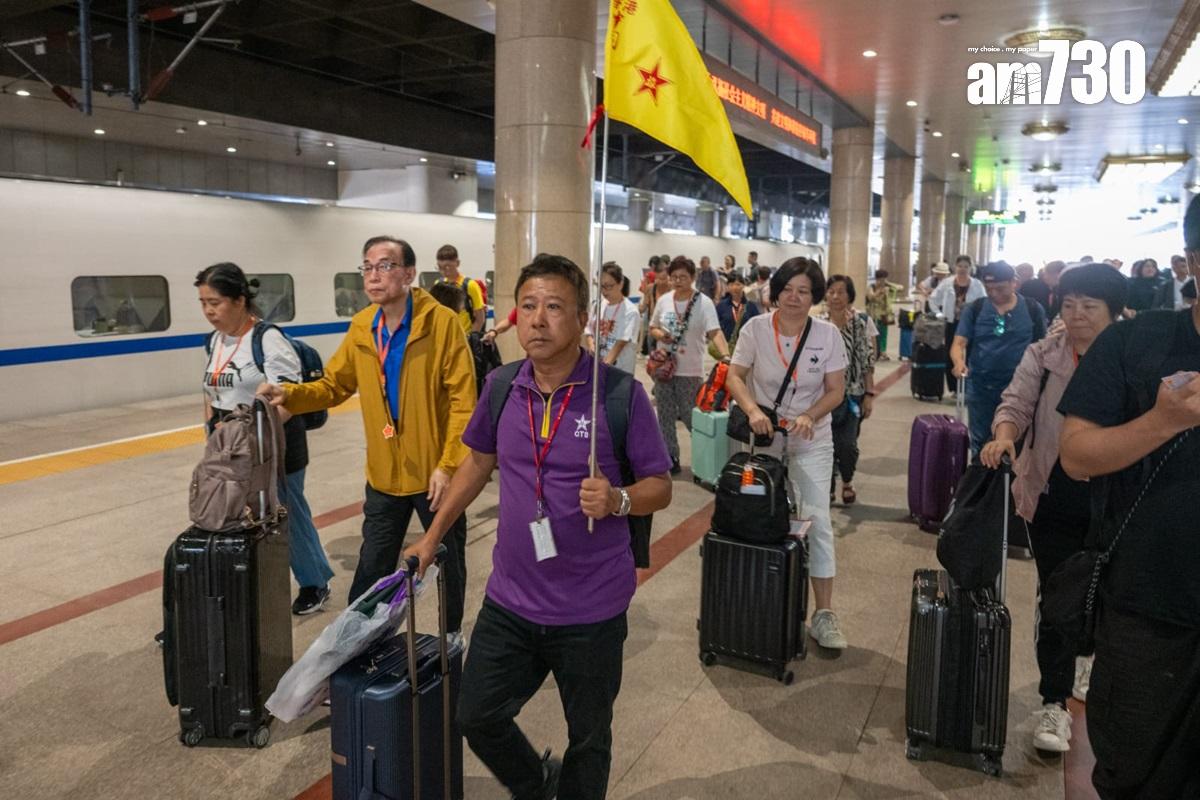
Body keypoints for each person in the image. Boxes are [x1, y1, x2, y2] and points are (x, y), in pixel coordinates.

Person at [403, 253, 673, 800]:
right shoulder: (502, 386)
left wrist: (619, 499)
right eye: (528, 306)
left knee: (589, 740)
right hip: (512, 600)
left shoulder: (619, 394)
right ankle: (536, 784)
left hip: (592, 609)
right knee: (475, 717)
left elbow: (660, 487)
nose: (538, 320)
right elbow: (477, 463)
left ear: (581, 319)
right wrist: (431, 537)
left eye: (554, 307)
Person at [256, 236, 476, 639]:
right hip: (384, 476)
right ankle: (354, 647)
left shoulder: (440, 324)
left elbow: (464, 402)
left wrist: (448, 466)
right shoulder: (362, 327)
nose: (374, 276)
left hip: (436, 477)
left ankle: (450, 640)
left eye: (385, 266)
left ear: (409, 273)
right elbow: (334, 386)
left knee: (449, 560)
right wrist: (291, 393)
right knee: (372, 567)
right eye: (368, 267)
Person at [1057, 195, 1200, 798]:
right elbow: (1077, 455)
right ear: (1192, 260)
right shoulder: (1137, 344)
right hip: (1150, 608)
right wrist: (1162, 423)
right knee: (1138, 775)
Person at [979, 264, 1128, 753]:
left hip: (1119, 500)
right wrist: (1004, 437)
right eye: (1069, 305)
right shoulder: (1043, 355)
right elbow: (1016, 404)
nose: (1077, 316)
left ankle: (1088, 656)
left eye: (1089, 307)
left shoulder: (1133, 357)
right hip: (1052, 494)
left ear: (1114, 311)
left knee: (1109, 597)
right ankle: (1053, 703)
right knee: (1060, 598)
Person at [723, 257, 849, 650]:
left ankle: (823, 614)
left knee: (817, 518)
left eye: (804, 291)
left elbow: (835, 391)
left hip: (812, 438)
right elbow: (734, 376)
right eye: (788, 289)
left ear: (814, 297)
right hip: (764, 439)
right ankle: (758, 601)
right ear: (775, 291)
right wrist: (753, 410)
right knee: (757, 515)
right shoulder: (755, 328)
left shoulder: (827, 335)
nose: (794, 298)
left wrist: (811, 416)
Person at [197, 263, 335, 615]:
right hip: (228, 446)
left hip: (273, 443)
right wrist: (212, 435)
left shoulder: (268, 339)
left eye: (216, 302)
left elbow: (289, 398)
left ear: (240, 300)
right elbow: (211, 391)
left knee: (286, 513)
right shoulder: (216, 340)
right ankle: (241, 586)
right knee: (233, 515)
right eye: (203, 303)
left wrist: (256, 441)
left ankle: (314, 583)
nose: (209, 311)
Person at [950, 261, 1047, 454]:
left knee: (1018, 440)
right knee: (981, 439)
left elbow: (1042, 347)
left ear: (1014, 283)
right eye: (989, 289)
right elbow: (959, 342)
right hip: (981, 386)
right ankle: (981, 480)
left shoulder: (1032, 309)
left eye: (1000, 288)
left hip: (1020, 388)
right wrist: (959, 362)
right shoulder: (975, 309)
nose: (994, 294)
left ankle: (1013, 481)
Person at [648, 256, 730, 475]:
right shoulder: (665, 300)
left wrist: (725, 355)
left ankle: (706, 456)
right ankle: (670, 457)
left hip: (690, 368)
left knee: (690, 414)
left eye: (683, 277)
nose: (678, 281)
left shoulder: (704, 303)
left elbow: (715, 331)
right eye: (674, 277)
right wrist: (660, 334)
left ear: (693, 278)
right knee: (664, 414)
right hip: (664, 368)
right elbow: (652, 326)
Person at [820, 275, 876, 506]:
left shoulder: (858, 324)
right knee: (825, 443)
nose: (835, 296)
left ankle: (848, 480)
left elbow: (866, 360)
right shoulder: (818, 324)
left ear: (850, 295)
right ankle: (830, 486)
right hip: (822, 396)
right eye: (831, 291)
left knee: (848, 445)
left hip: (852, 395)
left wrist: (869, 395)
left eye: (841, 292)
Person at [931, 255, 986, 393]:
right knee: (951, 352)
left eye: (966, 266)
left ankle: (968, 385)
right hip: (952, 322)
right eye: (960, 266)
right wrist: (939, 314)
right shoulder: (947, 282)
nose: (962, 269)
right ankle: (954, 387)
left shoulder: (977, 284)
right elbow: (933, 299)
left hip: (970, 324)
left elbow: (984, 302)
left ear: (970, 268)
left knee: (971, 353)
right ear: (955, 267)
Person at [586, 262, 641, 374]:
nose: (604, 291)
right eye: (601, 286)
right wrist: (591, 345)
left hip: (619, 369)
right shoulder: (598, 305)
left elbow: (620, 343)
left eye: (609, 286)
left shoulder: (630, 311)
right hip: (599, 365)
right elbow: (588, 331)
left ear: (620, 284)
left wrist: (604, 367)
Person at [435, 244, 486, 334]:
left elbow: (480, 319)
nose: (443, 271)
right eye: (440, 267)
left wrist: (470, 339)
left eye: (447, 267)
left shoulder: (470, 285)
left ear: (457, 263)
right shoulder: (438, 284)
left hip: (464, 337)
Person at [714, 271, 760, 352]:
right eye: (731, 284)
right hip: (726, 348)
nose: (735, 287)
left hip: (747, 348)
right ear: (727, 287)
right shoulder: (721, 306)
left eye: (738, 284)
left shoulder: (751, 306)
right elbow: (716, 327)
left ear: (744, 285)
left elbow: (757, 326)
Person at [865, 269, 900, 360]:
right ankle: (875, 352)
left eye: (885, 279)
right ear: (877, 279)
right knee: (874, 334)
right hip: (874, 314)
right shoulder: (871, 287)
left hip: (884, 314)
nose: (883, 281)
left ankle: (883, 352)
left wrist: (888, 283)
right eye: (882, 279)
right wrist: (879, 292)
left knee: (884, 334)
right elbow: (870, 297)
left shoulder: (887, 287)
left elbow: (900, 287)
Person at [639, 268, 670, 357]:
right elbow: (644, 305)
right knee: (652, 352)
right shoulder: (651, 288)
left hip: (667, 325)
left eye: (663, 279)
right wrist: (638, 309)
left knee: (665, 352)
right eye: (658, 278)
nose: (660, 282)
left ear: (668, 278)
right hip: (653, 324)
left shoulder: (672, 288)